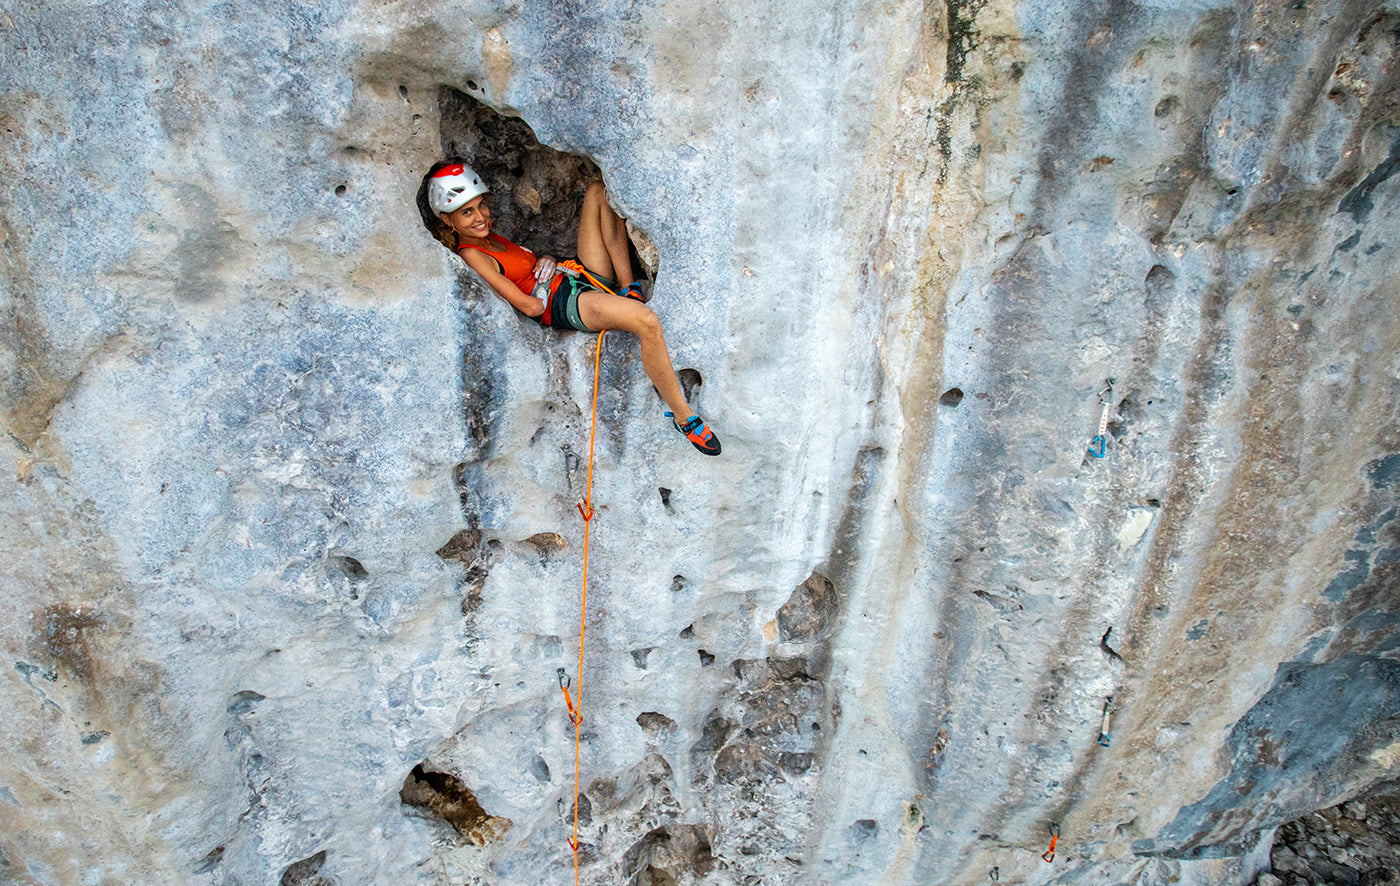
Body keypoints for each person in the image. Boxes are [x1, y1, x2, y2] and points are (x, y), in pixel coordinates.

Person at [420, 161, 721, 456]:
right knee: (647, 321)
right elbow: (529, 305)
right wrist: (547, 286)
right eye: (466, 212)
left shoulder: (491, 238)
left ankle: (629, 286)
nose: (480, 216)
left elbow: (525, 265)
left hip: (572, 279)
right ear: (447, 220)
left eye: (480, 205)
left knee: (598, 192)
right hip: (565, 303)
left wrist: (547, 260)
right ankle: (683, 416)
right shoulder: (472, 253)